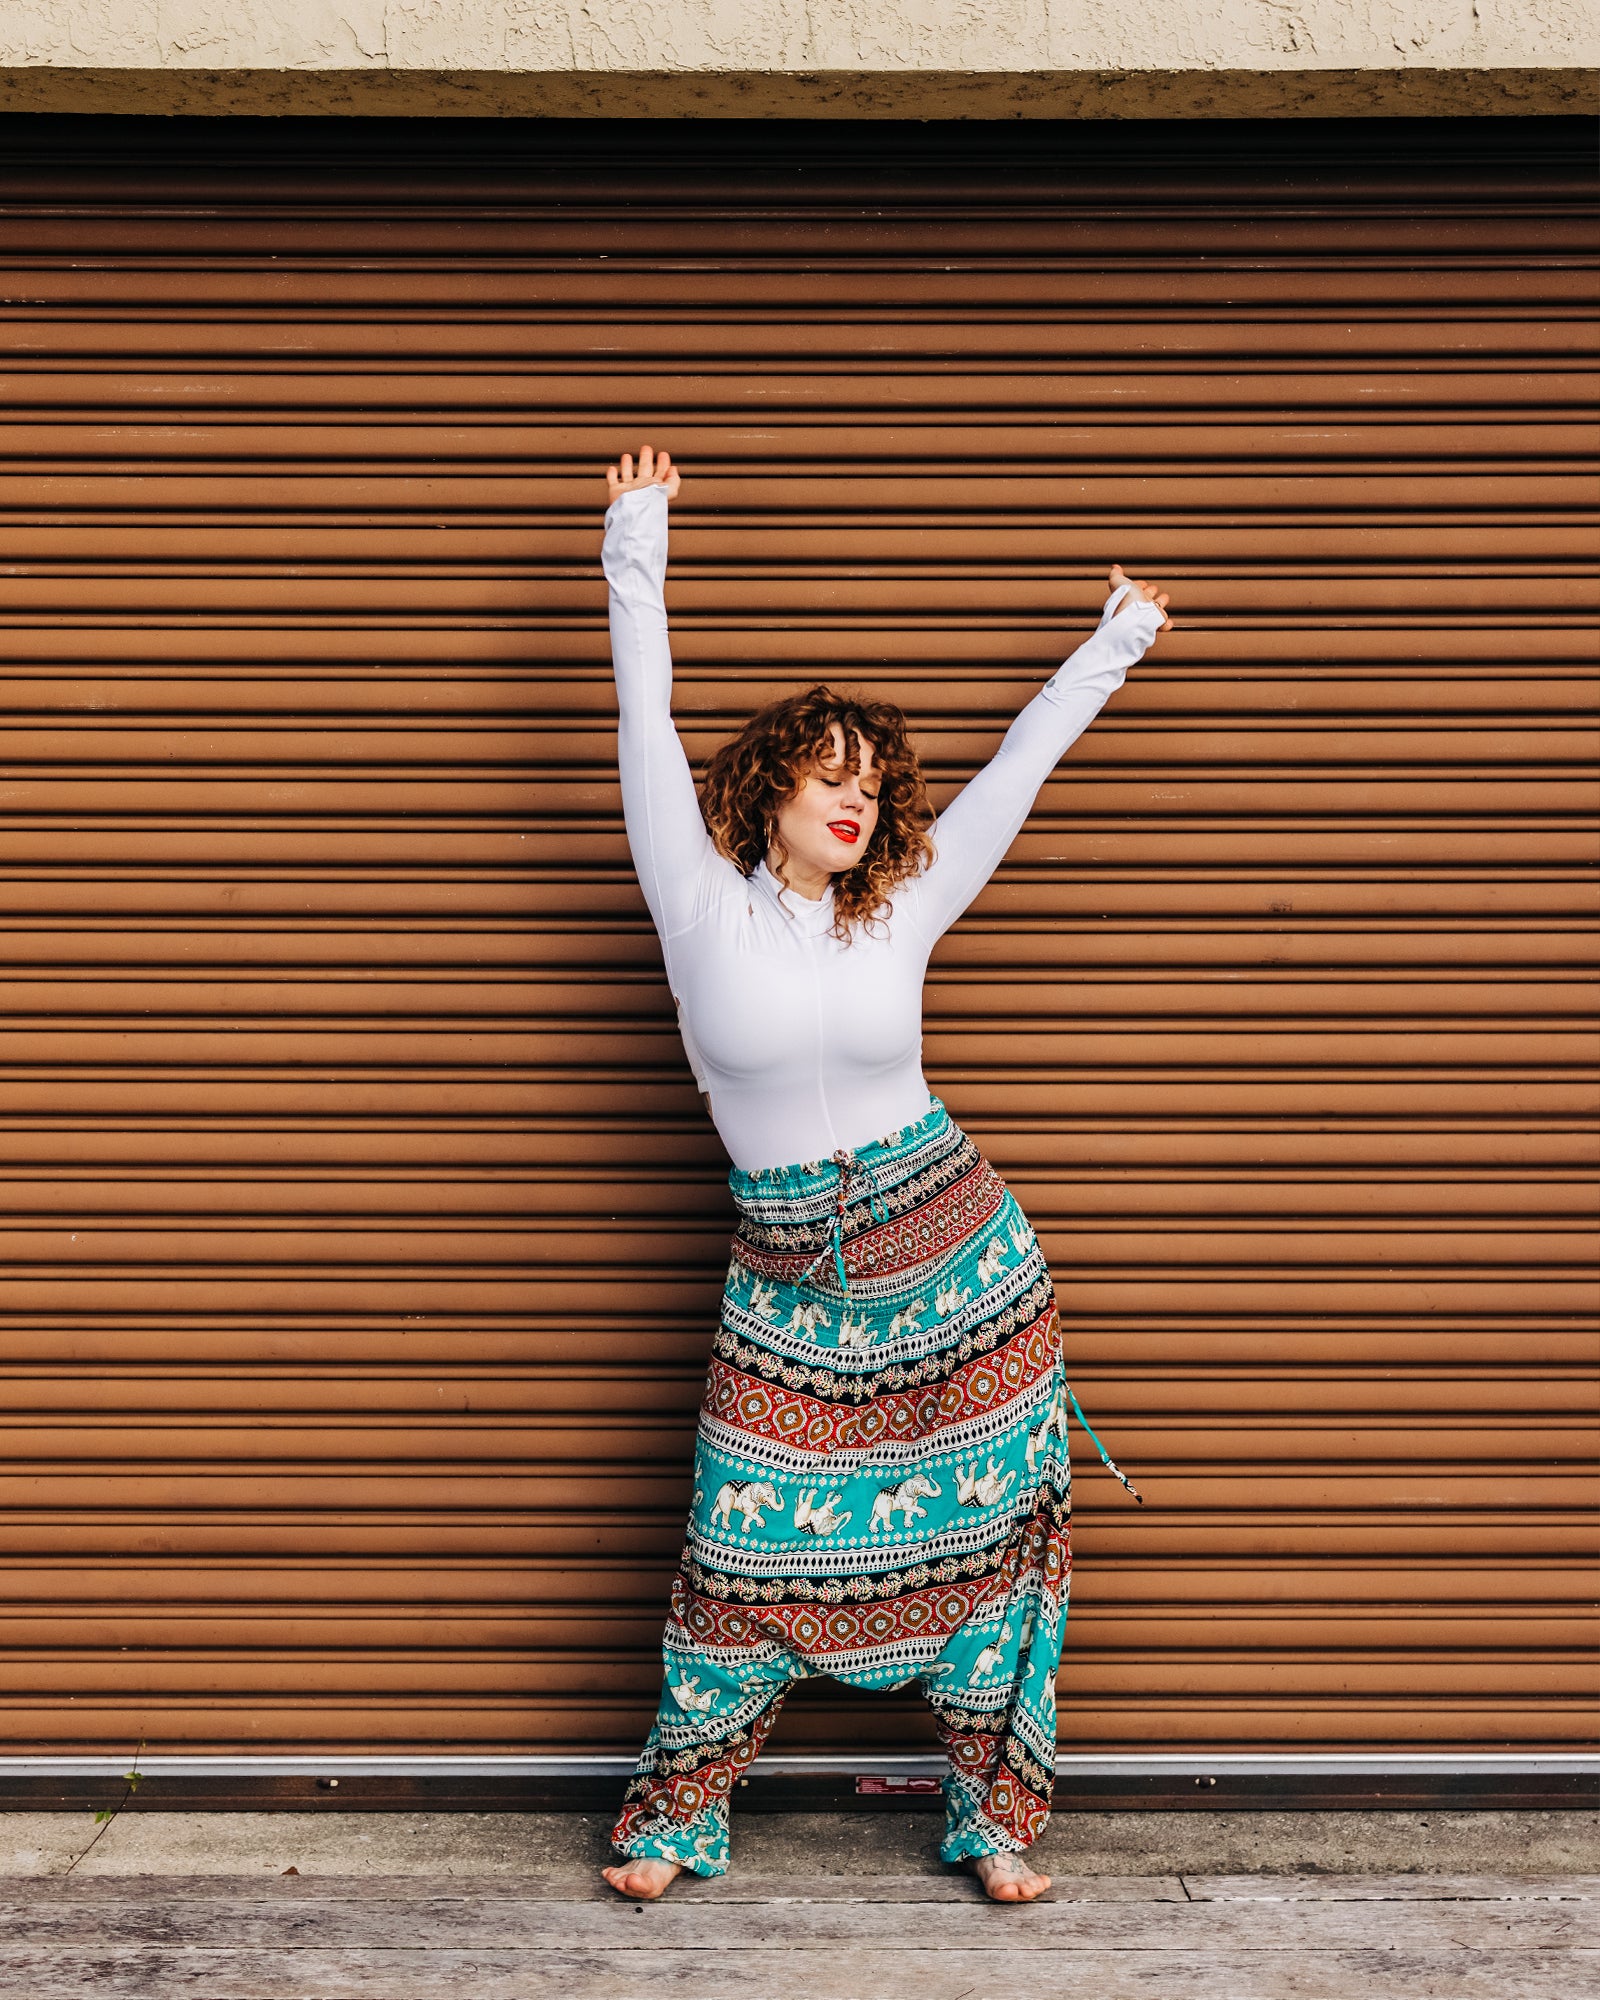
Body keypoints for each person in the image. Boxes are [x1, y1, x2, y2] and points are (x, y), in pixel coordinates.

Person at [596, 444, 1171, 1904]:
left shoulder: (896, 912)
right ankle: (675, 1816)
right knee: (738, 1541)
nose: (856, 801)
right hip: (791, 1285)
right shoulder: (696, 903)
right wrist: (636, 540)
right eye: (828, 776)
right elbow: (642, 714)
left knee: (988, 1552)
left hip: (961, 1269)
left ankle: (993, 1820)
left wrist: (1112, 643)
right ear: (768, 791)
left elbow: (1014, 778)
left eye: (872, 782)